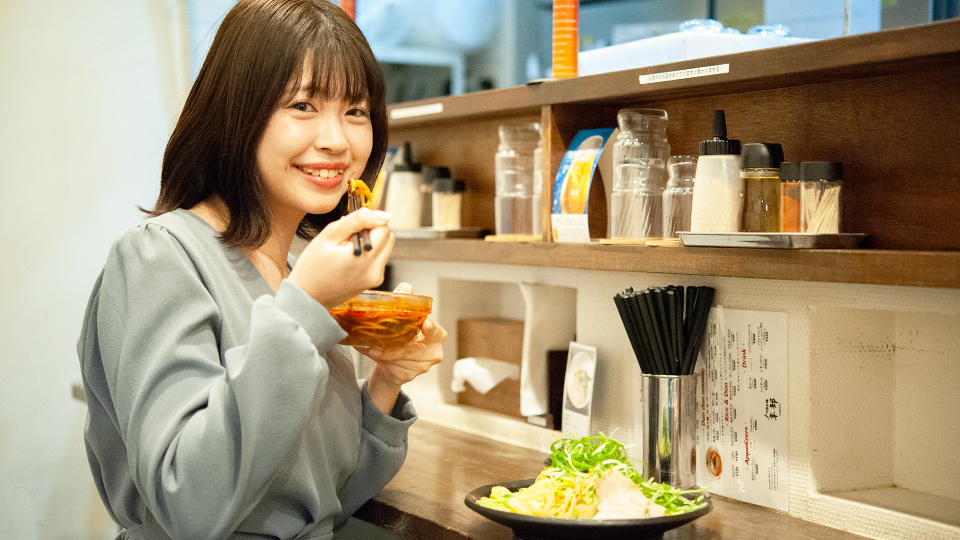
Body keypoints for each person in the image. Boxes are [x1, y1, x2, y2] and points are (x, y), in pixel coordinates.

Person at [76, 1, 446, 538]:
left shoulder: (295, 271)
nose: (336, 140)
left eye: (356, 111)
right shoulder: (157, 256)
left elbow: (323, 500)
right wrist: (306, 307)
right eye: (302, 104)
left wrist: (386, 381)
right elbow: (189, 502)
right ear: (237, 110)